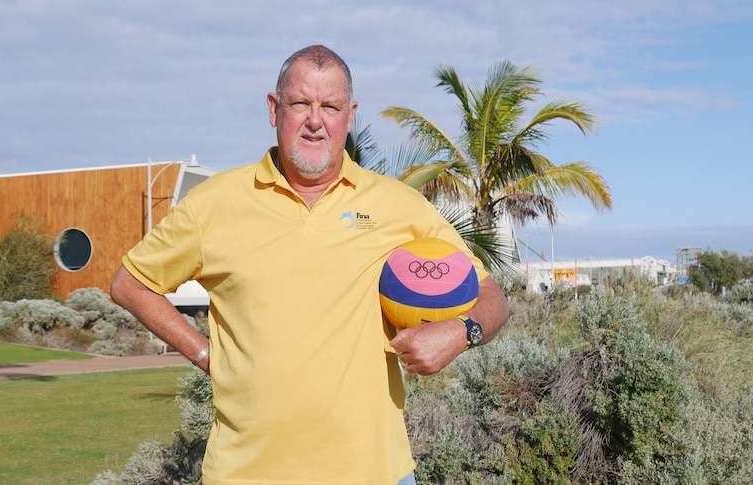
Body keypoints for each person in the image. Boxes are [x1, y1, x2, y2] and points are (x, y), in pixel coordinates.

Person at [110, 44, 509, 485]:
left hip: (375, 473)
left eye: (331, 106)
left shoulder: (400, 207)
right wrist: (206, 355)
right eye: (300, 103)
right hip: (246, 474)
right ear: (273, 108)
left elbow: (492, 297)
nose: (315, 120)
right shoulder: (214, 204)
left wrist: (460, 332)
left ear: (350, 115)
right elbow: (131, 283)